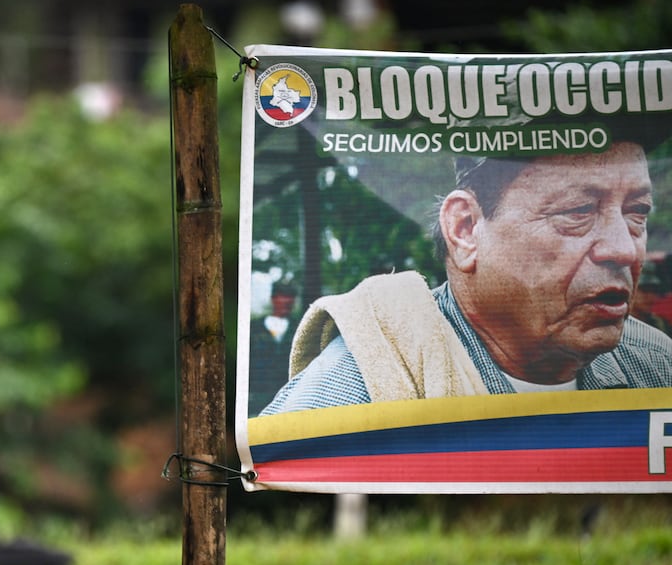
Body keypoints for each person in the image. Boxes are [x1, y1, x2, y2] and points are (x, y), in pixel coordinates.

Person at [263, 138, 672, 414]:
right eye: (578, 212)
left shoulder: (658, 367)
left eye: (636, 212)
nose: (623, 248)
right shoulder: (354, 390)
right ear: (465, 229)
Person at [247, 282, 298, 415]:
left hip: (291, 397)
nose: (287, 301)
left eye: (290, 296)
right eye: (282, 296)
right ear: (273, 298)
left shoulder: (300, 328)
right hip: (258, 396)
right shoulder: (254, 327)